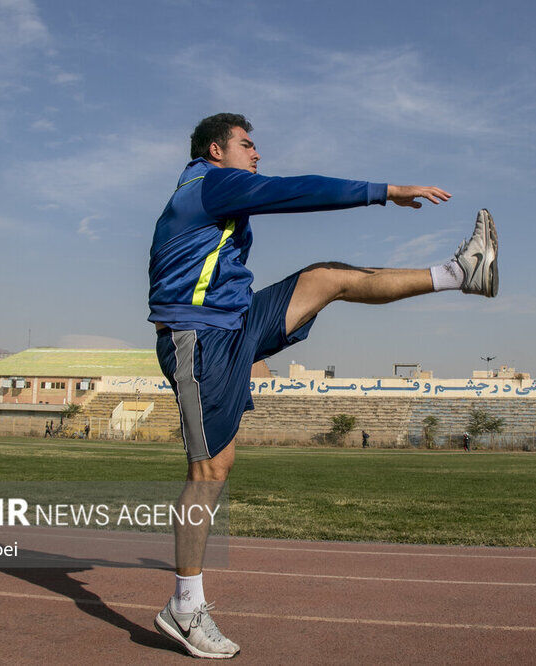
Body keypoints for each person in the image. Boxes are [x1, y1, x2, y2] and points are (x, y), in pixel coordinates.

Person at [148, 113, 499, 659]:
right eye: (248, 144)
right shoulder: (209, 183)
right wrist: (385, 191)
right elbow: (297, 192)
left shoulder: (217, 192)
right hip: (198, 337)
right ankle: (184, 607)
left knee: (326, 277)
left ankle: (460, 273)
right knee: (210, 470)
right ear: (216, 150)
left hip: (235, 322)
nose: (257, 153)